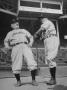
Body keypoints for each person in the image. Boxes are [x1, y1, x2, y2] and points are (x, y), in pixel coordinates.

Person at [3, 18, 38, 86]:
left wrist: (30, 43)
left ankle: (33, 80)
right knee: (16, 64)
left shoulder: (23, 30)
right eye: (14, 23)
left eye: (17, 22)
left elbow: (31, 37)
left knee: (31, 62)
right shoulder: (10, 33)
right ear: (11, 25)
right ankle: (18, 81)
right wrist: (8, 47)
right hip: (15, 47)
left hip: (25, 45)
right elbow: (6, 41)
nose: (16, 23)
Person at [34, 18, 60, 85]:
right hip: (48, 40)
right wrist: (40, 37)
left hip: (51, 39)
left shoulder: (47, 21)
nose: (41, 21)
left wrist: (36, 34)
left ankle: (53, 79)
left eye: (41, 20)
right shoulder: (45, 26)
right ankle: (52, 78)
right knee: (49, 59)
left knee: (50, 59)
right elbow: (42, 36)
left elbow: (41, 29)